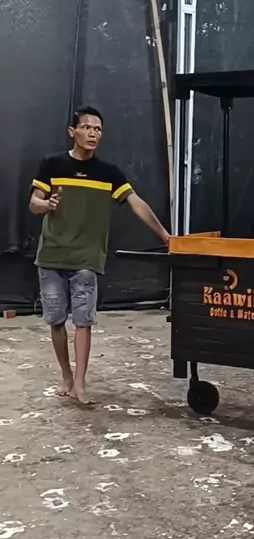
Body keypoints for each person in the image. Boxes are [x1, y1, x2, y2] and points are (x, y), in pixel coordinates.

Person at [29, 105, 170, 407]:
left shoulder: (108, 173)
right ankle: (66, 375)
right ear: (73, 131)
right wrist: (48, 204)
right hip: (52, 257)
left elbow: (135, 203)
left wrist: (165, 235)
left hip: (87, 260)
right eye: (87, 127)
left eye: (98, 129)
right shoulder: (52, 164)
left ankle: (80, 383)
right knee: (56, 320)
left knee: (83, 321)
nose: (93, 133)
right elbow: (33, 203)